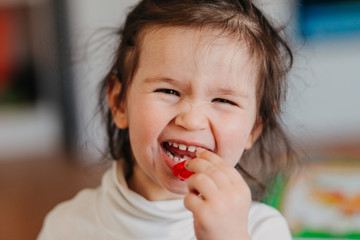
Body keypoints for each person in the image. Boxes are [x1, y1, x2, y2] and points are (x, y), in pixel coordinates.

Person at [39, 0, 297, 239]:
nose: (192, 120)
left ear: (255, 127)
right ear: (119, 102)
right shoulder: (67, 225)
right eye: (168, 91)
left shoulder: (262, 229)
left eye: (224, 101)